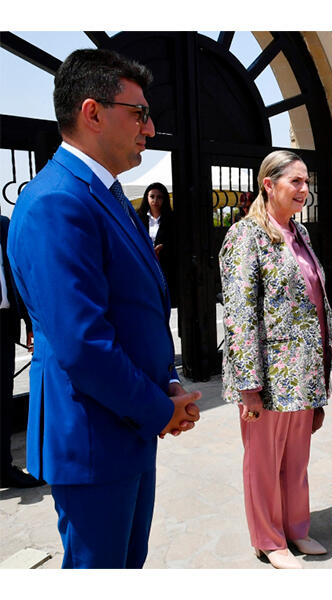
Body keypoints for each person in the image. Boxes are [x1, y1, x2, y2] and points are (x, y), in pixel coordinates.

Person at [7, 48, 200, 568]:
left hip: (126, 423)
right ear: (92, 113)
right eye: (139, 113)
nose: (150, 127)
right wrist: (159, 409)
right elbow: (83, 344)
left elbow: (136, 309)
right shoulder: (58, 202)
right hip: (93, 435)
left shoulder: (106, 193)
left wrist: (167, 383)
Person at [219, 150, 332, 569]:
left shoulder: (299, 233)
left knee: (296, 459)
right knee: (264, 462)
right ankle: (269, 540)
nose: (304, 190)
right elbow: (239, 314)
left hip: (304, 372)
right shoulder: (245, 235)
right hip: (269, 375)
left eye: (307, 183)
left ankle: (296, 528)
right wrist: (248, 386)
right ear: (269, 184)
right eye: (295, 182)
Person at [1, 214, 41, 488]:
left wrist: (29, 321)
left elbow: (18, 275)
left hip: (3, 325)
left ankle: (3, 468)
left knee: (3, 401)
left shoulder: (4, 226)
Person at [135, 181, 177, 305]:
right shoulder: (139, 218)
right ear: (146, 198)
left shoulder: (171, 219)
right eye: (152, 196)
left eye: (159, 197)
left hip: (165, 264)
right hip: (145, 262)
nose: (155, 200)